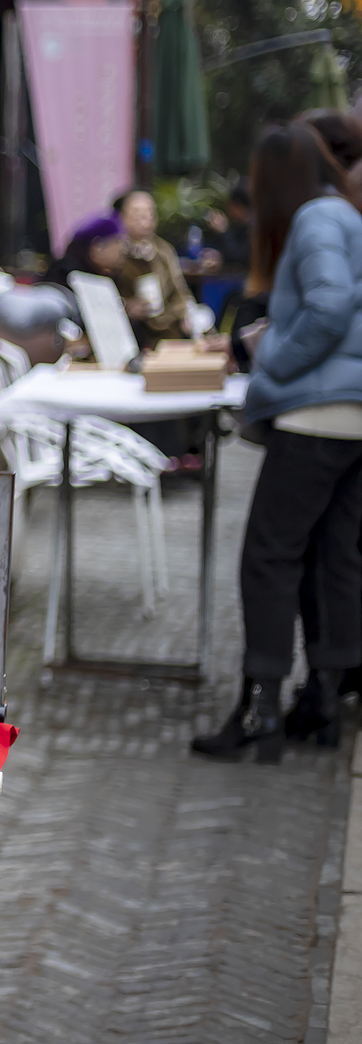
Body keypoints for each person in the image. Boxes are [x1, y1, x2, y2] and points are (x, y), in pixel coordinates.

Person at [193, 122, 362, 762]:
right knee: (334, 556)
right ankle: (322, 700)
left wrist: (275, 366)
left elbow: (326, 308)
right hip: (353, 416)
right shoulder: (346, 214)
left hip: (316, 417)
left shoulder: (317, 219)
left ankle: (260, 707)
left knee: (269, 556)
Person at [109, 189, 196, 349]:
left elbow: (180, 290)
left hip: (169, 333)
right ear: (120, 217)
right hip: (130, 335)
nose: (145, 219)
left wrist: (185, 313)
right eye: (137, 214)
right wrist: (125, 306)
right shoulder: (113, 252)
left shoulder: (163, 250)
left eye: (150, 213)